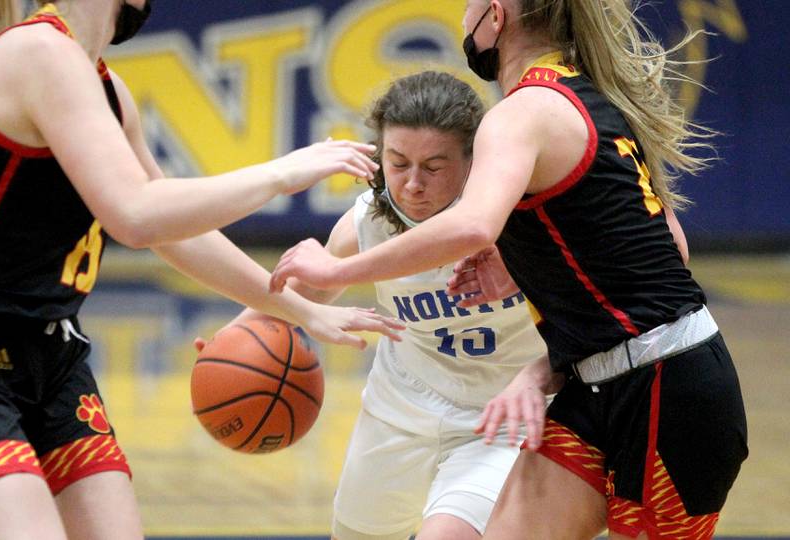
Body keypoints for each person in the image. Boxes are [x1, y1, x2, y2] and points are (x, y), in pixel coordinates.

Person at [269, 1, 748, 539]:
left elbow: (473, 227)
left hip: (670, 387)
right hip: (592, 385)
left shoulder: (522, 112)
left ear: (494, 17)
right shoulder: (581, 92)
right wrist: (527, 267)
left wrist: (337, 272)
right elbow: (668, 245)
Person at [0, 1, 403, 539]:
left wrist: (298, 309)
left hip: (52, 354)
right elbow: (134, 214)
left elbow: (171, 230)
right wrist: (279, 173)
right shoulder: (39, 52)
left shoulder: (106, 87)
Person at [199, 71, 546, 540]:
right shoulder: (365, 222)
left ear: (473, 161)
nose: (413, 184)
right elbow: (299, 300)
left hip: (499, 418)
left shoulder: (526, 223)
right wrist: (231, 345)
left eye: (434, 166)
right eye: (398, 163)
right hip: (398, 409)